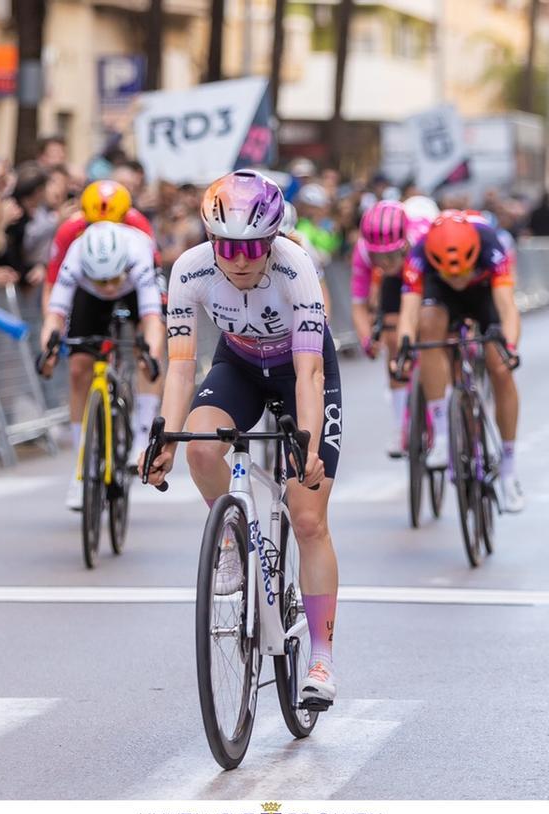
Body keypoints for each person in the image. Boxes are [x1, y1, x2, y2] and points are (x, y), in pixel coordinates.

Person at [140, 169, 341, 709]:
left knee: (306, 516)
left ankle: (320, 657)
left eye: (254, 246)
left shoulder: (296, 267)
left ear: (273, 239)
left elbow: (310, 375)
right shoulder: (189, 270)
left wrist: (309, 446)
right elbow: (181, 369)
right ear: (211, 239)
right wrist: (164, 435)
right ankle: (230, 536)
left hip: (301, 368)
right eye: (227, 246)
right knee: (200, 447)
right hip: (240, 364)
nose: (241, 258)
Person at [395, 210, 526, 512]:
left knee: (500, 367)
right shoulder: (420, 253)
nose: (457, 279)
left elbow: (507, 308)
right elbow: (409, 314)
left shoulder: (491, 245)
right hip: (439, 296)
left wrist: (510, 347)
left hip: (483, 295)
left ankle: (509, 470)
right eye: (450, 273)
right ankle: (441, 433)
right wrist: (404, 345)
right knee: (427, 332)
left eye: (461, 272)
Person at [40, 221, 165, 506]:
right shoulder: (75, 258)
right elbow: (54, 316)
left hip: (134, 289)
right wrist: (47, 354)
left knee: (148, 353)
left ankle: (143, 434)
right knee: (78, 367)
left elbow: (152, 320)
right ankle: (82, 467)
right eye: (103, 281)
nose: (109, 287)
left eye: (112, 280)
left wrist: (151, 355)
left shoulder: (138, 255)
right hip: (88, 296)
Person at [349, 200, 420, 457]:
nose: (385, 262)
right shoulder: (363, 253)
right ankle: (401, 425)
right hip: (395, 284)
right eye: (379, 256)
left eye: (391, 255)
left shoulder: (420, 240)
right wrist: (367, 339)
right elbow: (358, 305)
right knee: (392, 338)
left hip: (423, 273)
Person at [43, 179, 156, 311]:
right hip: (89, 284)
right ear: (85, 215)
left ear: (125, 216)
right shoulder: (70, 228)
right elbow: (53, 278)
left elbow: (155, 267)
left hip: (129, 281)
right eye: (94, 224)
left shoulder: (138, 222)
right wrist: (51, 319)